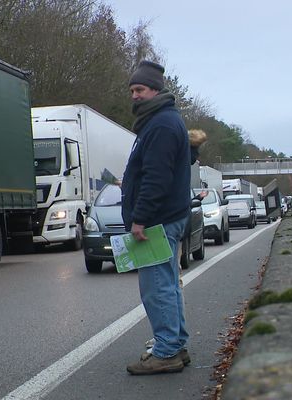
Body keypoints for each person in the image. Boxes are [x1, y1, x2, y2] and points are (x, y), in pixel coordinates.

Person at [121, 60, 191, 375]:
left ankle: (166, 352)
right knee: (168, 284)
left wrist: (140, 218)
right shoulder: (162, 121)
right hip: (166, 217)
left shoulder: (161, 124)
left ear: (155, 90)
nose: (134, 95)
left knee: (157, 286)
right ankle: (175, 344)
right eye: (132, 90)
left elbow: (156, 178)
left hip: (157, 221)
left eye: (140, 89)